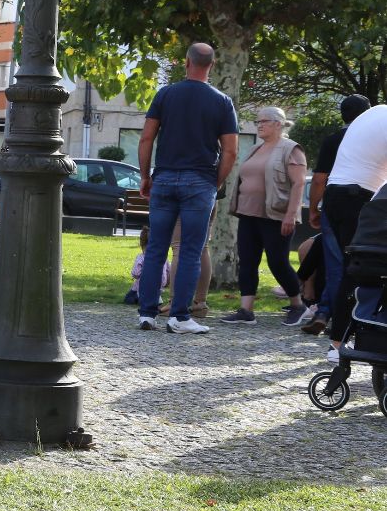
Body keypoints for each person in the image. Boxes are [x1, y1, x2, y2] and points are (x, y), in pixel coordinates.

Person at [136, 43, 238, 334]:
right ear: (213, 65)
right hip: (200, 179)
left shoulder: (166, 94)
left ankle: (146, 313)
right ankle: (179, 316)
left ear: (186, 62)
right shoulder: (222, 101)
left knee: (156, 247)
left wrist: (146, 176)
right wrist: (215, 182)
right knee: (191, 250)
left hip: (165, 177)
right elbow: (230, 151)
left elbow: (146, 139)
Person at [221, 107, 307, 325]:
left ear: (278, 124)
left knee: (278, 262)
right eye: (257, 121)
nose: (259, 125)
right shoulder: (255, 149)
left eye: (264, 121)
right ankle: (246, 311)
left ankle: (298, 305)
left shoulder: (291, 149)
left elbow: (298, 184)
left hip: (276, 215)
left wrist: (290, 214)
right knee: (247, 261)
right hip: (248, 213)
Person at [321, 102, 387, 362]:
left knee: (352, 269)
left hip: (337, 193)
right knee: (361, 269)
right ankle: (339, 344)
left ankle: (340, 340)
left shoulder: (375, 113)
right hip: (357, 196)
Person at [303, 94, 372, 336]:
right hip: (366, 204)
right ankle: (355, 318)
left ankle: (326, 313)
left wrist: (313, 208)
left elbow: (320, 178)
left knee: (336, 265)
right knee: (362, 261)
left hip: (333, 201)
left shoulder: (334, 139)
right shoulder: (372, 139)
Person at [125, 227, 170, 306]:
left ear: (142, 244)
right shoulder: (164, 258)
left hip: (142, 287)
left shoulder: (141, 257)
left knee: (128, 298)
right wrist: (166, 282)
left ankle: (141, 298)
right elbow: (168, 271)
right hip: (159, 286)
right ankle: (156, 298)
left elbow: (136, 273)